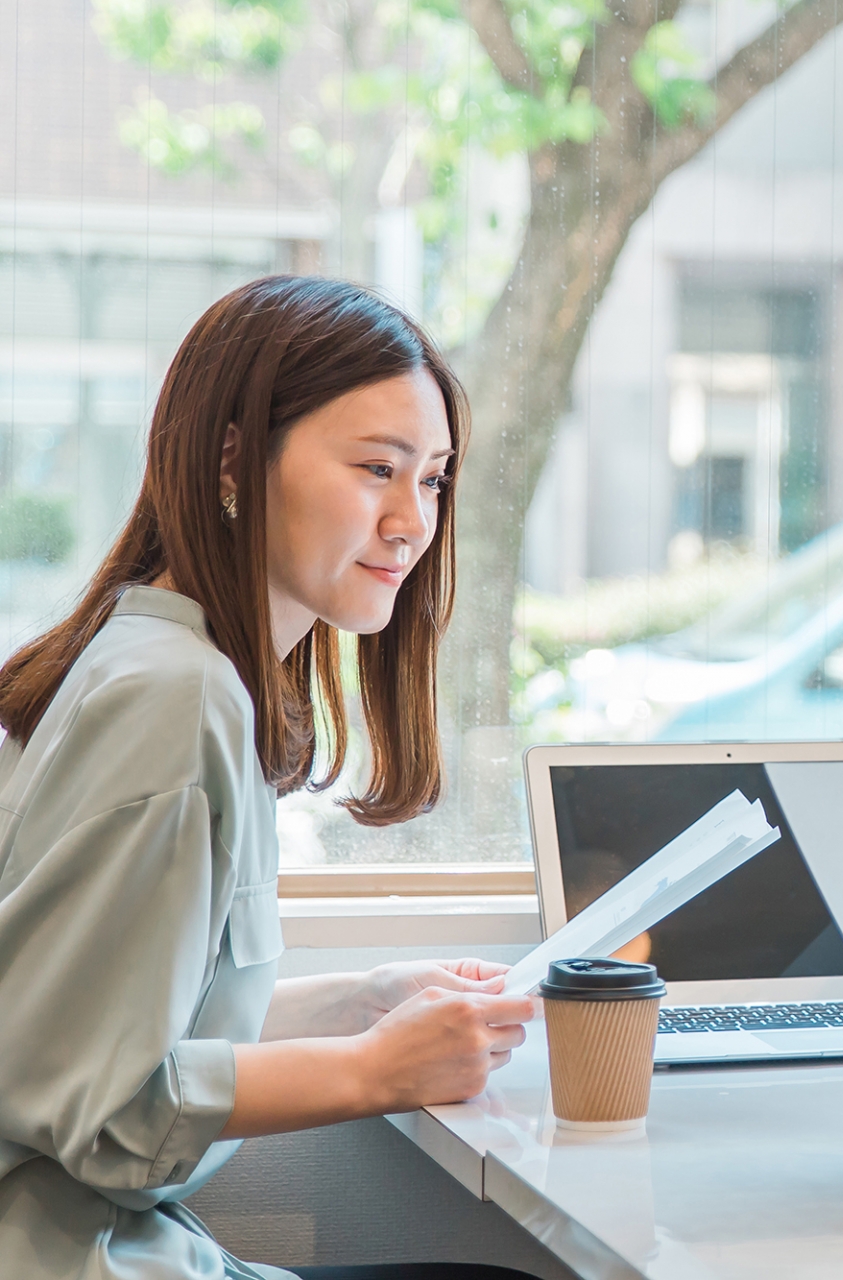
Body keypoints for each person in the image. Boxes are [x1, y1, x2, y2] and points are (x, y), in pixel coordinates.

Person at [0, 276, 543, 1280]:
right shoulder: (176, 696)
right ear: (234, 461)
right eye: (377, 468)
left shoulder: (155, 656)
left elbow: (114, 1021)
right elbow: (103, 1113)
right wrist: (376, 1067)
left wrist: (362, 998)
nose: (410, 522)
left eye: (431, 479)